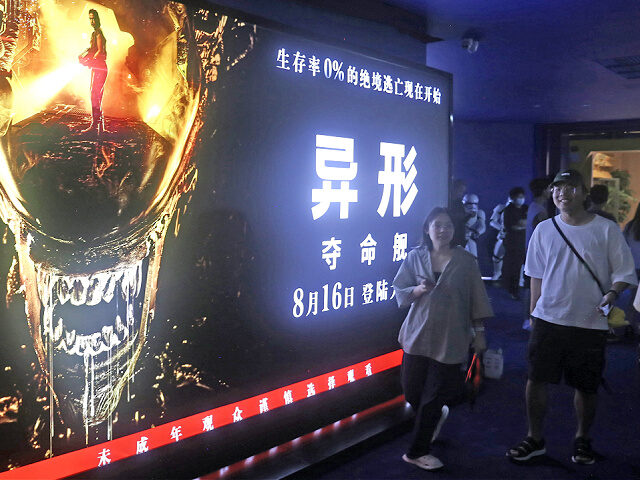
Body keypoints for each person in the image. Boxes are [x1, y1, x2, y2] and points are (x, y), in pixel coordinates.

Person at [507, 169, 637, 465]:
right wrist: (533, 316)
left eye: (570, 188)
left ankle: (582, 440)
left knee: (586, 386)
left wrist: (613, 294)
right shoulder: (544, 229)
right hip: (548, 320)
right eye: (557, 188)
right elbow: (535, 278)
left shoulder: (605, 229)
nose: (562, 193)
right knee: (536, 380)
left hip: (589, 322)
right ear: (552, 194)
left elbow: (624, 272)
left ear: (584, 192)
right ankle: (535, 438)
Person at [393, 207, 493, 471]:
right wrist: (418, 289)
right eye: (437, 225)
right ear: (427, 229)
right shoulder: (414, 257)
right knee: (412, 391)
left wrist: (479, 333)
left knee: (433, 397)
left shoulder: (466, 261)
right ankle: (437, 415)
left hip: (451, 336)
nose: (443, 230)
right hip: (418, 334)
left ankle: (417, 451)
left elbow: (477, 300)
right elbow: (400, 292)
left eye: (447, 225)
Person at [522, 178, 551, 329]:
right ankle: (530, 318)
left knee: (529, 285)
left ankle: (528, 318)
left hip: (529, 250)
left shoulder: (534, 206)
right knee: (532, 286)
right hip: (536, 253)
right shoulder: (540, 210)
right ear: (544, 190)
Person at [79, 9, 108, 134]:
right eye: (90, 18)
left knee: (95, 96)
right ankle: (99, 127)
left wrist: (89, 60)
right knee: (96, 96)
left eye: (94, 18)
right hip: (98, 67)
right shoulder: (95, 33)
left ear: (98, 19)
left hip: (100, 67)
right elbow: (93, 49)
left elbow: (100, 51)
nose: (92, 21)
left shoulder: (98, 33)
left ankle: (95, 125)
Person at [502, 187, 528, 299]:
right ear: (512, 198)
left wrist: (522, 224)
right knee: (514, 268)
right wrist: (522, 225)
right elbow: (512, 226)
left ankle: (527, 289)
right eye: (519, 197)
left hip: (525, 242)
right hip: (513, 243)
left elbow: (527, 223)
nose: (521, 199)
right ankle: (513, 290)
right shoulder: (508, 210)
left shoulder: (526, 208)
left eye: (522, 197)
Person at [488, 197, 510, 280]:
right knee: (497, 256)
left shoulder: (522, 210)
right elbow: (492, 221)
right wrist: (501, 228)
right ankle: (497, 272)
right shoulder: (502, 208)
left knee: (517, 258)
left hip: (516, 237)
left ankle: (520, 278)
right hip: (503, 236)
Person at [461, 193, 486, 258]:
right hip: (458, 238)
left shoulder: (479, 213)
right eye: (469, 204)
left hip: (470, 238)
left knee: (473, 259)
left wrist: (476, 232)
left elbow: (482, 225)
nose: (472, 206)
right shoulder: (458, 212)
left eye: (475, 204)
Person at [449, 179, 467, 247]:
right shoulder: (446, 201)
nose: (461, 193)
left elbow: (462, 219)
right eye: (460, 191)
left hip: (459, 236)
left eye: (463, 191)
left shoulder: (459, 203)